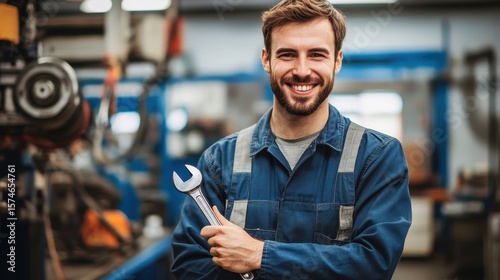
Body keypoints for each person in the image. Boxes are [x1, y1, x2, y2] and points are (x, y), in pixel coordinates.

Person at [170, 0, 412, 279]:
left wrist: (259, 255)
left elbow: (374, 264)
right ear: (266, 60)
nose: (301, 70)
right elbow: (190, 265)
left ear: (337, 61)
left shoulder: (377, 157)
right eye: (287, 54)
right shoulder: (219, 160)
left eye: (317, 55)